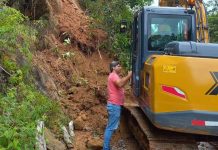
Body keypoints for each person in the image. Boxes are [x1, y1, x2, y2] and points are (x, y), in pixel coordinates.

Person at [103, 61, 132, 150]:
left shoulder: (115, 76)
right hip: (114, 105)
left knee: (110, 127)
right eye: (118, 66)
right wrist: (129, 75)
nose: (120, 67)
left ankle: (106, 147)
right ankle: (106, 148)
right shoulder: (113, 75)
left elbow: (121, 84)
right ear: (113, 68)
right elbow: (120, 83)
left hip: (115, 105)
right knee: (110, 128)